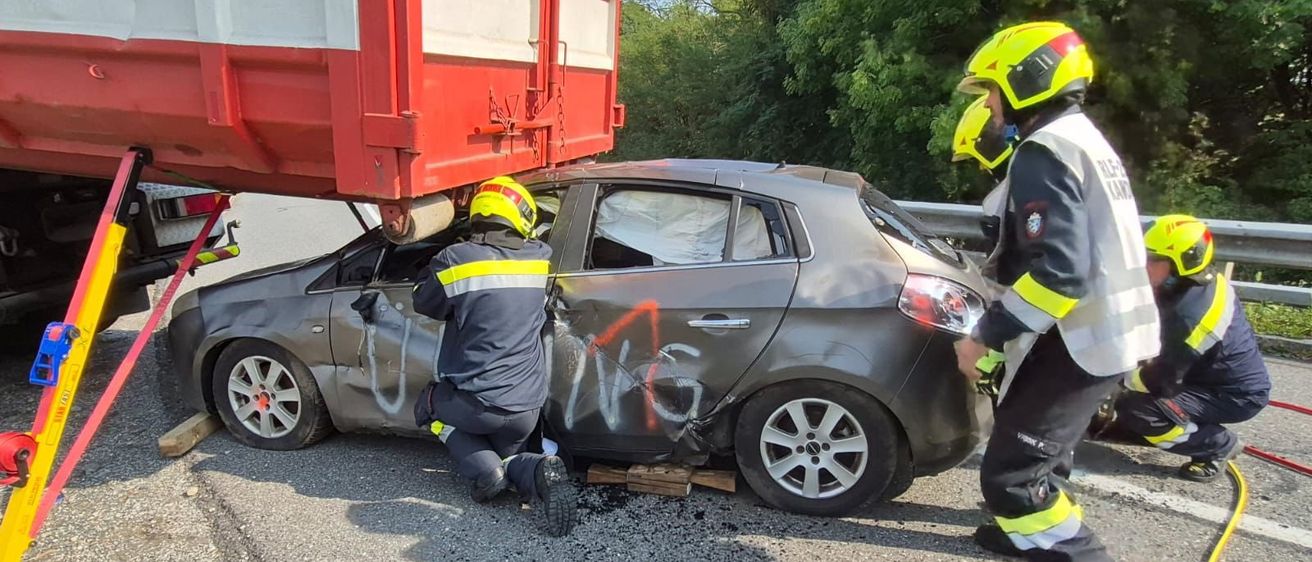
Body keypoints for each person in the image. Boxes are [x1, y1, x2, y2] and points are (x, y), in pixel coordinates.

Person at [951, 22, 1161, 561]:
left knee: (1012, 474)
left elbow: (1060, 273)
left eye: (993, 89)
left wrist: (984, 335)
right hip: (1105, 330)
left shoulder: (1044, 150)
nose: (989, 104)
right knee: (1044, 450)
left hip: (1085, 337)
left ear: (1026, 79)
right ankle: (1028, 533)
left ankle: (1074, 549)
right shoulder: (1082, 140)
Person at [411, 176, 577, 537]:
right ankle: (538, 470)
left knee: (429, 403)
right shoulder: (539, 259)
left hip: (477, 406)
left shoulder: (455, 260)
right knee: (510, 455)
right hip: (526, 409)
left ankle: (486, 475)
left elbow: (424, 301)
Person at [1109, 215, 1270, 481]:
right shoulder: (1193, 283)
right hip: (1199, 373)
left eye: (1152, 260)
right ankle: (1150, 426)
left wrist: (1107, 377)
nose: (1142, 266)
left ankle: (1216, 445)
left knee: (1137, 408)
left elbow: (1157, 380)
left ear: (1182, 264)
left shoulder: (1191, 319)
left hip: (1233, 395)